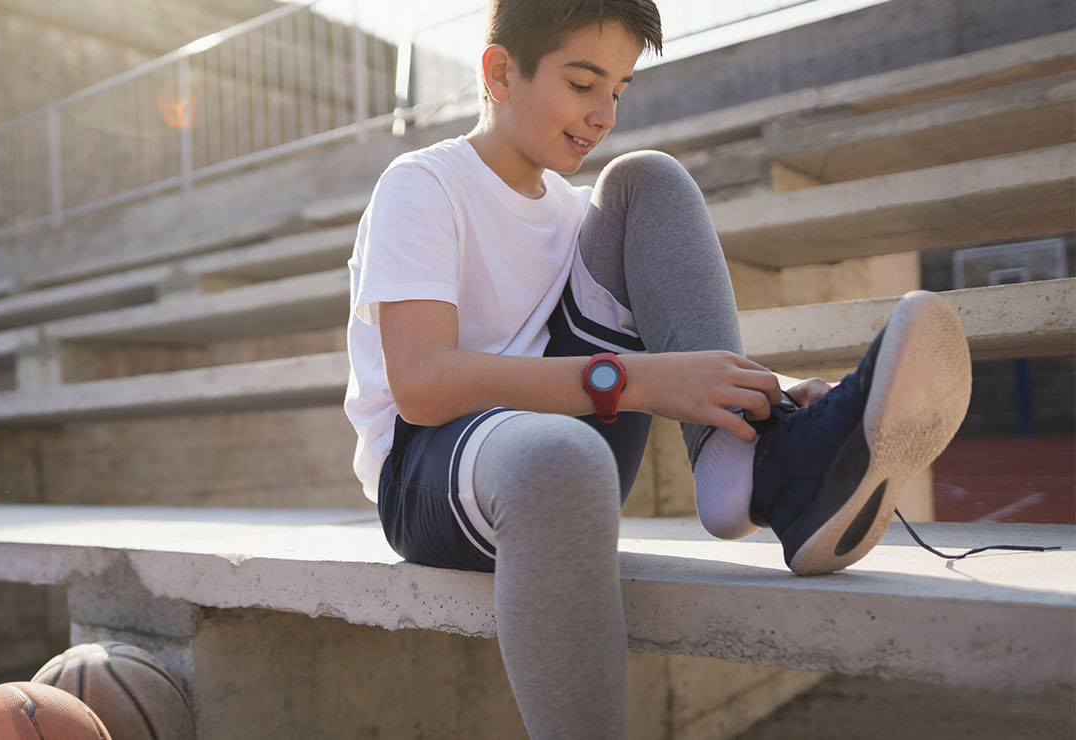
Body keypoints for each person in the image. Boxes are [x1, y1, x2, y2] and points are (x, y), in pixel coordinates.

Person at [341, 0, 974, 736]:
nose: (605, 113)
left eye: (619, 89)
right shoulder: (423, 184)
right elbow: (421, 384)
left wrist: (752, 395)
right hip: (437, 468)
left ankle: (759, 463)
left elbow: (646, 346)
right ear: (500, 72)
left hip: (568, 439)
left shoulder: (582, 216)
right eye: (583, 84)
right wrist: (639, 380)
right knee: (560, 458)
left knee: (648, 178)